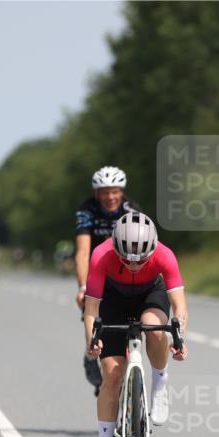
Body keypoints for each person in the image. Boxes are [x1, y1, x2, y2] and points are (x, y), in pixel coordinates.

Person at [82, 211, 188, 437]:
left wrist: (179, 338)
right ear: (115, 248)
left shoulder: (165, 255)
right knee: (112, 375)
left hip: (150, 295)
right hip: (113, 299)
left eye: (140, 260)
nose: (132, 264)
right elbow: (91, 308)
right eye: (125, 258)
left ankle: (160, 381)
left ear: (151, 250)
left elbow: (180, 307)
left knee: (154, 327)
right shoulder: (101, 255)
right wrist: (92, 340)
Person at [74, 166, 141, 395]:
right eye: (104, 192)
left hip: (126, 268)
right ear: (97, 193)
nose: (110, 197)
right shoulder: (87, 210)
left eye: (114, 191)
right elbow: (83, 252)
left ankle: (133, 362)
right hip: (97, 267)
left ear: (121, 192)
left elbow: (141, 244)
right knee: (92, 309)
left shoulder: (131, 209)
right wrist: (83, 286)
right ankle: (92, 351)